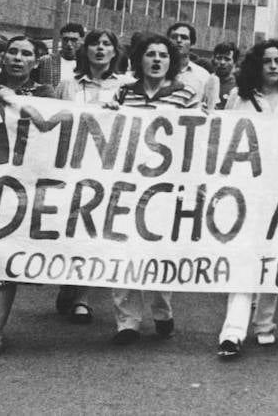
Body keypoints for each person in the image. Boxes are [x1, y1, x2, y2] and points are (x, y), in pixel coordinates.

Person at [216, 41, 278, 359]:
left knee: (272, 256)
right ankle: (232, 331)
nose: (272, 66)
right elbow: (223, 136)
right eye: (267, 61)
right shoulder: (239, 98)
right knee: (243, 256)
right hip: (245, 189)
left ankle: (265, 323)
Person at [106, 34, 201, 344]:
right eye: (150, 54)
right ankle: (127, 321)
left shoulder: (185, 94)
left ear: (171, 61)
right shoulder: (124, 93)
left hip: (166, 187)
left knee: (160, 252)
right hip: (128, 185)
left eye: (163, 55)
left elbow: (200, 136)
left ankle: (162, 311)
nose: (157, 60)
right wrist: (106, 112)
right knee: (124, 250)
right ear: (139, 59)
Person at [52, 27, 126, 323]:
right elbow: (54, 120)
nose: (100, 48)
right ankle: (67, 284)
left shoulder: (124, 86)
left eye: (106, 44)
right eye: (95, 43)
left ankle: (82, 297)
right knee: (69, 228)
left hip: (106, 169)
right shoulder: (67, 85)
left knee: (95, 231)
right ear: (86, 49)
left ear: (114, 51)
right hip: (71, 167)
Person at [0, 35, 55, 356]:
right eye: (13, 52)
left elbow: (51, 129)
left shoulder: (45, 94)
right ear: (3, 57)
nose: (18, 58)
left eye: (25, 53)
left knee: (3, 256)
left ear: (36, 61)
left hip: (16, 184)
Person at [166, 22, 220, 110]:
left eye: (184, 37)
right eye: (174, 37)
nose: (179, 40)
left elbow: (211, 109)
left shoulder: (203, 76)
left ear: (192, 44)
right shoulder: (157, 73)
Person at [57, 21, 85, 85]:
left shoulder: (89, 63)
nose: (69, 44)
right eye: (65, 39)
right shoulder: (48, 62)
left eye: (74, 40)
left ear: (81, 40)